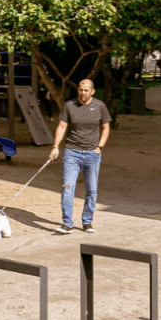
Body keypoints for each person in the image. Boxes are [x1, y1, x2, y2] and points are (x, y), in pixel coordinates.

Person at [49, 79, 111, 234]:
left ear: (92, 91)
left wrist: (100, 147)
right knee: (68, 187)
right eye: (81, 90)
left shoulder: (99, 106)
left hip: (92, 153)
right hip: (72, 152)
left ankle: (87, 221)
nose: (83, 93)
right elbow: (62, 126)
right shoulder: (69, 106)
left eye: (86, 90)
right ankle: (67, 223)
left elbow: (105, 127)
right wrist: (55, 147)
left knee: (92, 189)